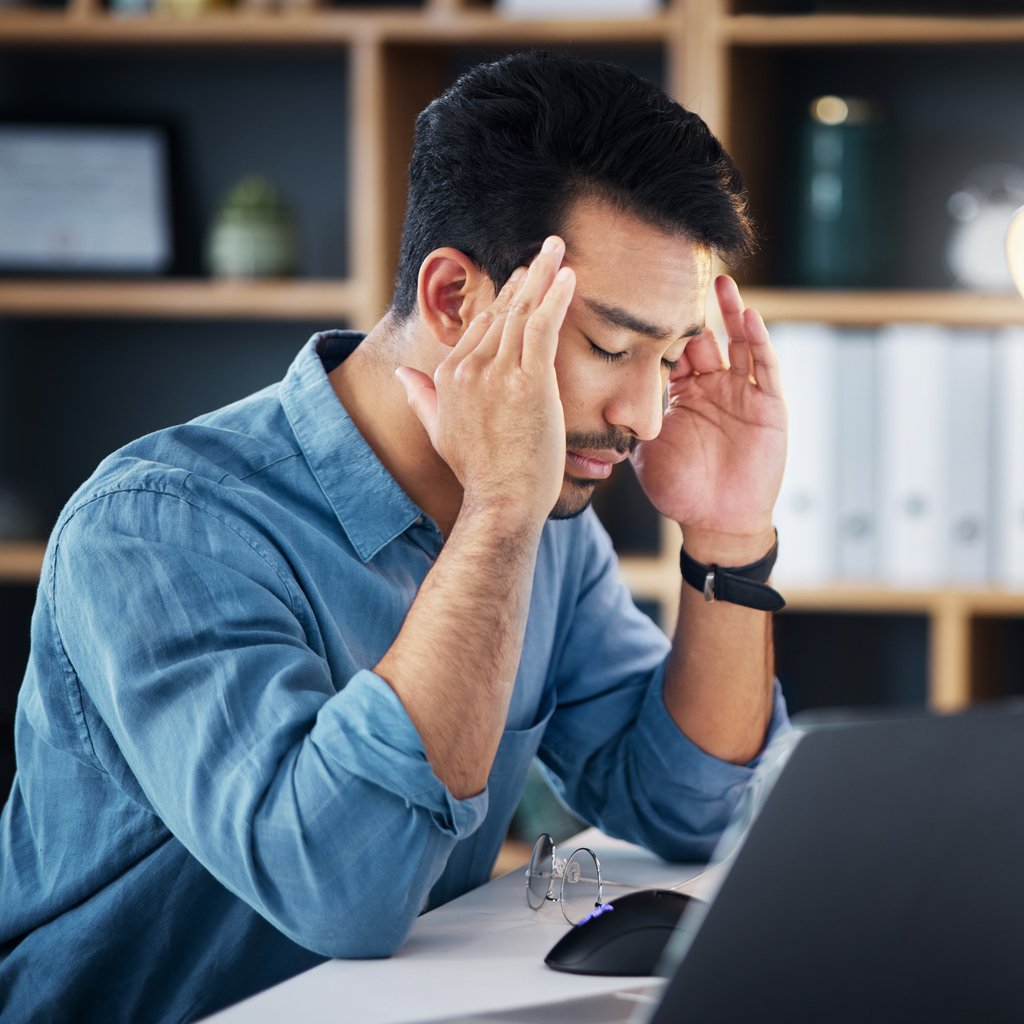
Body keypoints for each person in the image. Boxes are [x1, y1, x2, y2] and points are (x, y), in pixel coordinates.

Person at [0, 52, 790, 1023]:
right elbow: (343, 889)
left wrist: (726, 534)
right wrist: (498, 513)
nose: (646, 412)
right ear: (455, 298)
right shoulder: (160, 527)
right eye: (610, 348)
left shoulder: (546, 523)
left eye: (668, 358)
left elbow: (694, 809)